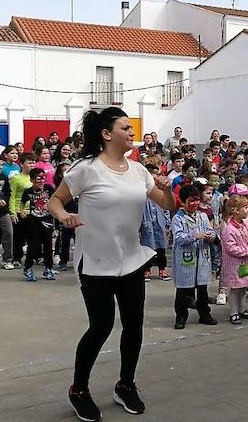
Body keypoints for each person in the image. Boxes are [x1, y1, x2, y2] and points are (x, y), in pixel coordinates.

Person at [48, 106, 175, 419]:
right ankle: (79, 389)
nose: (132, 133)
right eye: (125, 128)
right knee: (101, 327)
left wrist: (168, 191)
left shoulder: (139, 170)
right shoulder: (86, 168)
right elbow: (55, 200)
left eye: (131, 129)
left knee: (134, 325)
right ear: (106, 134)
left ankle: (126, 385)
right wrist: (64, 215)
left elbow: (167, 205)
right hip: (95, 262)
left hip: (131, 259)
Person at [171, 185, 217, 329]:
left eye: (197, 200)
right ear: (183, 202)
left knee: (202, 290)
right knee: (183, 291)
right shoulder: (178, 218)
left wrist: (211, 236)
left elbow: (211, 231)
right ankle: (181, 317)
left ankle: (204, 314)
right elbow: (178, 238)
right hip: (186, 259)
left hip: (202, 257)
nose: (195, 203)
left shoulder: (202, 216)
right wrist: (196, 236)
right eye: (191, 200)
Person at [219, 195, 248, 325]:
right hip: (235, 264)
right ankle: (234, 312)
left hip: (246, 263)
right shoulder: (228, 228)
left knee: (244, 287)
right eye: (245, 207)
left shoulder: (246, 224)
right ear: (236, 210)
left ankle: (242, 309)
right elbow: (231, 248)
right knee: (235, 288)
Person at [20, 168, 56, 281]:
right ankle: (28, 268)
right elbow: (22, 202)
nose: (41, 181)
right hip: (33, 221)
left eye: (43, 178)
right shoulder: (28, 191)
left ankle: (48, 268)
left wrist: (50, 205)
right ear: (32, 180)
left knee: (48, 246)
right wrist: (21, 211)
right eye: (38, 179)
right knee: (33, 245)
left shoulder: (49, 189)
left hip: (47, 220)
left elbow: (56, 200)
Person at [140, 164, 170, 282]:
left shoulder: (160, 193)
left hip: (159, 224)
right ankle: (146, 270)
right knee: (147, 248)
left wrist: (167, 224)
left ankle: (162, 269)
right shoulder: (142, 194)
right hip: (146, 225)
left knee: (161, 248)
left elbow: (166, 208)